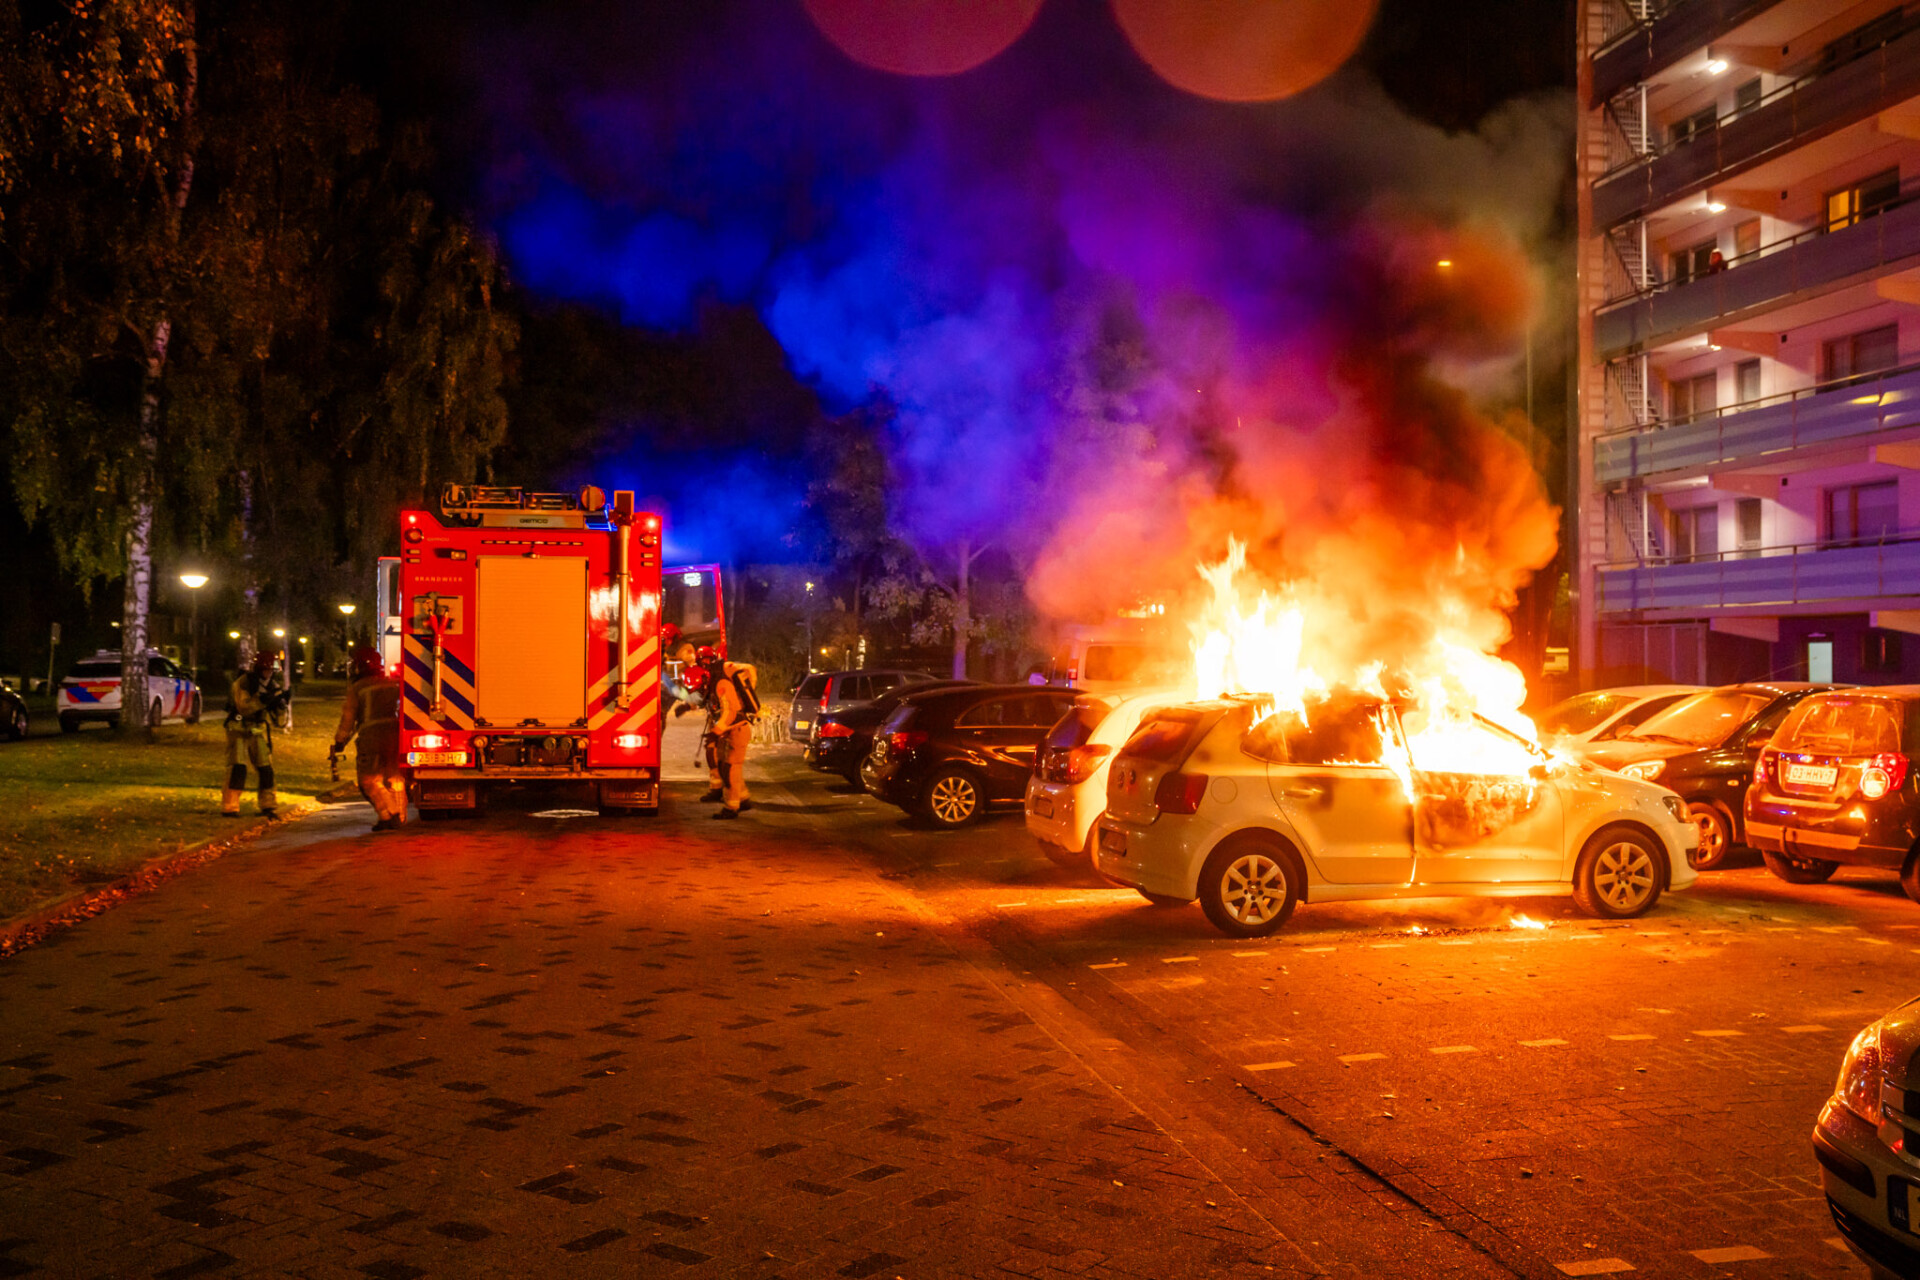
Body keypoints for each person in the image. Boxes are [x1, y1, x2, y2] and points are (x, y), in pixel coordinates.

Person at [332, 646, 405, 833]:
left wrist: (340, 740)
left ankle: (389, 813)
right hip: (397, 736)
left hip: (371, 738)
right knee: (394, 777)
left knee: (369, 779)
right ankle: (398, 818)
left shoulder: (357, 688)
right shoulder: (393, 682)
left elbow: (348, 718)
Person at [222, 648, 290, 817]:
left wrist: (280, 705)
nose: (268, 674)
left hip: (256, 730)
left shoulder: (273, 685)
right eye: (266, 670)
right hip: (238, 728)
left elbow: (278, 718)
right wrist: (262, 700)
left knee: (266, 768)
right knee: (238, 767)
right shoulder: (244, 682)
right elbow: (243, 707)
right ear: (259, 669)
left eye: (270, 671)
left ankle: (268, 805)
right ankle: (230, 807)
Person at [701, 646, 759, 819]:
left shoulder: (721, 682)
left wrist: (716, 731)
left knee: (730, 769)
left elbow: (730, 711)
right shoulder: (719, 679)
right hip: (733, 730)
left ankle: (731, 807)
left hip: (737, 730)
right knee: (730, 766)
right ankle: (743, 798)